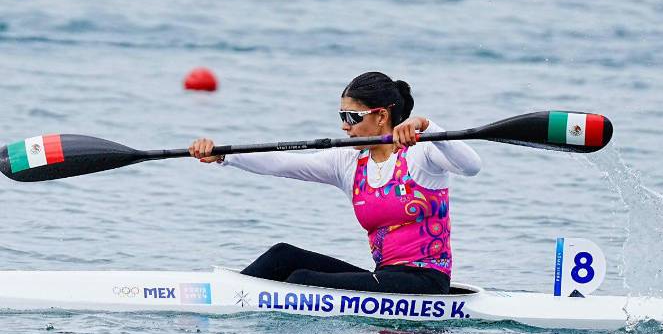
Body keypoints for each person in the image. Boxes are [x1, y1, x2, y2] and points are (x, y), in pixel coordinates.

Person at [189, 71, 481, 294]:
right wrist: (224, 155)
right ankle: (226, 295)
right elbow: (283, 163)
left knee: (302, 280)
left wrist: (426, 125)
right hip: (385, 276)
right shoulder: (349, 162)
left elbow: (471, 166)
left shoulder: (421, 154)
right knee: (282, 256)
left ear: (381, 116)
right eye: (342, 116)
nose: (344, 126)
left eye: (352, 117)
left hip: (426, 282)